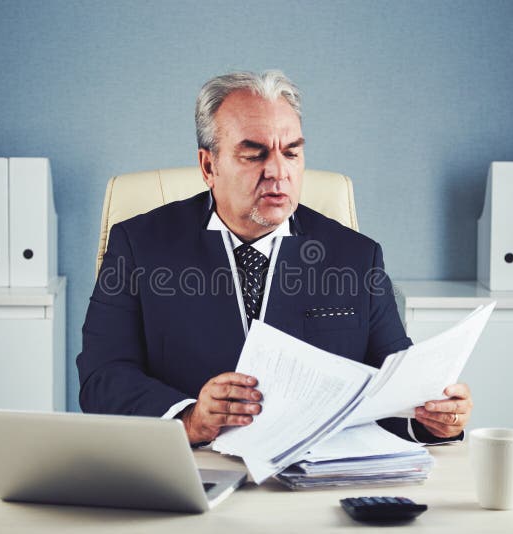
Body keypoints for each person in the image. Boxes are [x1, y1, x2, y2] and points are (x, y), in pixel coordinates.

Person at [77, 70, 472, 445]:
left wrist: (435, 420)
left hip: (315, 481)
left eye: (292, 153)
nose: (278, 172)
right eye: (255, 154)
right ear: (208, 165)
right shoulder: (138, 245)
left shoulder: (357, 257)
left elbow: (392, 392)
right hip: (192, 467)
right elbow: (102, 377)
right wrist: (191, 418)